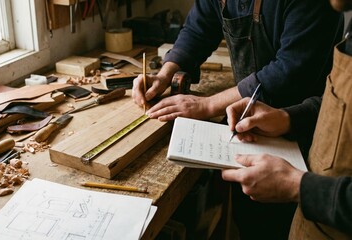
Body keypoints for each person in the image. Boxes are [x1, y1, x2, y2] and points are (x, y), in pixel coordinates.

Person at [133, 0, 343, 239]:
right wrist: (165, 73)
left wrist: (208, 104)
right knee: (251, 217)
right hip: (254, 126)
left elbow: (290, 70)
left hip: (308, 130)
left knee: (288, 224)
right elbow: (198, 29)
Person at [222, 2, 352, 236]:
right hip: (313, 223)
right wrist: (288, 118)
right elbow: (342, 103)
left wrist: (298, 187)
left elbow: (289, 68)